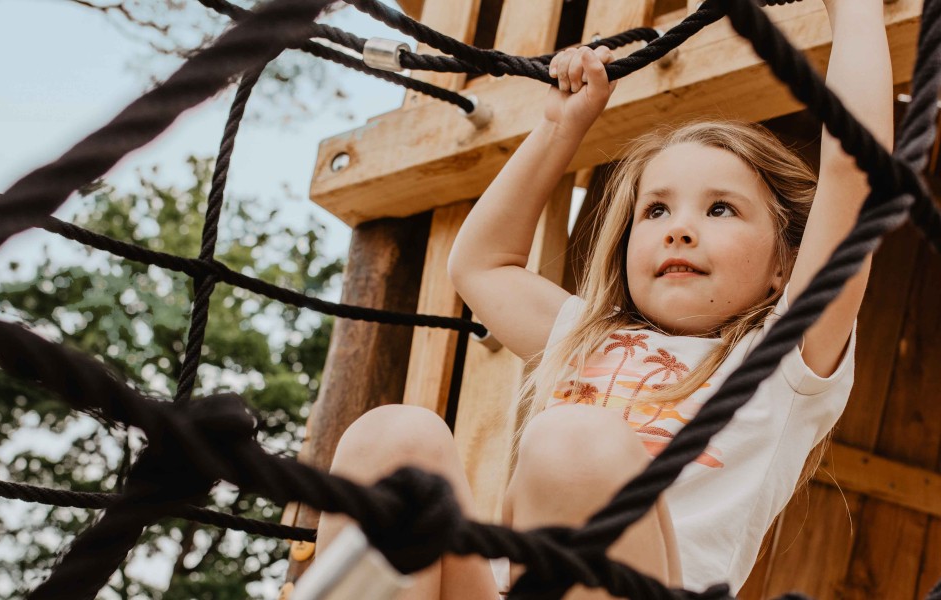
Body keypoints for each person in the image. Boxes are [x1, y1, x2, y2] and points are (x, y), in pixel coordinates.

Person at [315, 0, 893, 597]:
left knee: (575, 441)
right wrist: (560, 127)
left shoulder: (784, 358)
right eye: (656, 209)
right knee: (393, 437)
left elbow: (855, 174)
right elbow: (479, 265)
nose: (680, 228)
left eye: (720, 208)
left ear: (784, 266)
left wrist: (855, 11)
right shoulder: (587, 334)